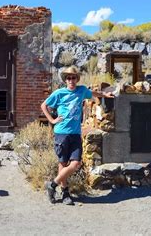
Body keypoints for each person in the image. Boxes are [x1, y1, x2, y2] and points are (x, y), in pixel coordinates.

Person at [41, 66, 113, 205]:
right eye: (68, 78)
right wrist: (52, 120)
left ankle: (52, 185)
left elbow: (93, 93)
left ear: (77, 79)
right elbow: (44, 105)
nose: (71, 80)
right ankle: (65, 194)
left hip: (75, 134)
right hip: (61, 133)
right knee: (62, 163)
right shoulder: (59, 93)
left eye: (73, 78)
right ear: (65, 80)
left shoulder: (81, 90)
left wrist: (105, 95)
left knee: (75, 163)